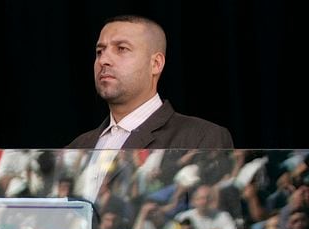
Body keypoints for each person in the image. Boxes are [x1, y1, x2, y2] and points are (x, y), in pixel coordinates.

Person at [67, 15, 234, 202]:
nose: (104, 60)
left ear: (155, 64)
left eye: (121, 49)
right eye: (100, 51)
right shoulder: (78, 147)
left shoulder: (201, 137)